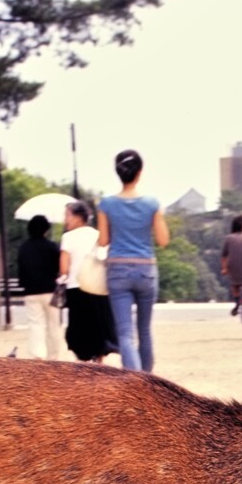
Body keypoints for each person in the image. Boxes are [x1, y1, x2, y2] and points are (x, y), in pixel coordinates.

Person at [97, 149, 170, 371]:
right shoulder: (152, 203)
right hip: (146, 270)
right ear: (140, 172)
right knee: (145, 330)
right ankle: (148, 383)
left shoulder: (106, 204)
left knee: (125, 333)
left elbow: (103, 240)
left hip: (118, 270)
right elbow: (163, 239)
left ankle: (134, 384)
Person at [60, 201, 118, 363]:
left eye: (67, 216)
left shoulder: (68, 237)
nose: (66, 220)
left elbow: (64, 268)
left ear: (78, 218)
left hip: (76, 287)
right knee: (98, 325)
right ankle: (99, 361)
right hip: (97, 286)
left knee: (80, 327)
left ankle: (83, 363)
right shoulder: (96, 234)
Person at [17, 215, 61, 360]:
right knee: (53, 325)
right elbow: (59, 268)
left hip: (30, 291)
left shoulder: (23, 248)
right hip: (50, 291)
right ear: (46, 230)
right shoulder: (52, 246)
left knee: (36, 324)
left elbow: (21, 269)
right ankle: (53, 357)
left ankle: (38, 356)